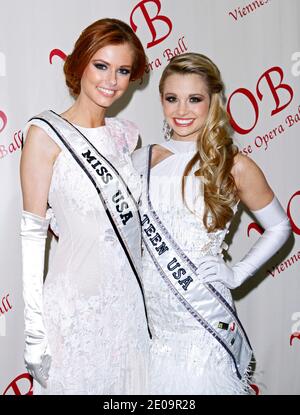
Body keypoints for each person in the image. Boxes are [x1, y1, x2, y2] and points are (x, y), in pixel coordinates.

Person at [132, 52, 291, 394]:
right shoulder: (140, 161)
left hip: (202, 315)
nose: (182, 111)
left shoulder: (234, 165)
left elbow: (280, 228)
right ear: (160, 100)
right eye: (172, 99)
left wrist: (237, 273)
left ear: (213, 101)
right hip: (151, 319)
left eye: (194, 99)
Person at [20, 18, 151, 395]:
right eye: (101, 65)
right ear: (79, 64)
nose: (111, 80)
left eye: (123, 70)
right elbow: (32, 238)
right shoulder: (45, 135)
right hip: (75, 313)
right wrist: (33, 332)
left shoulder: (128, 136)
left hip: (128, 313)